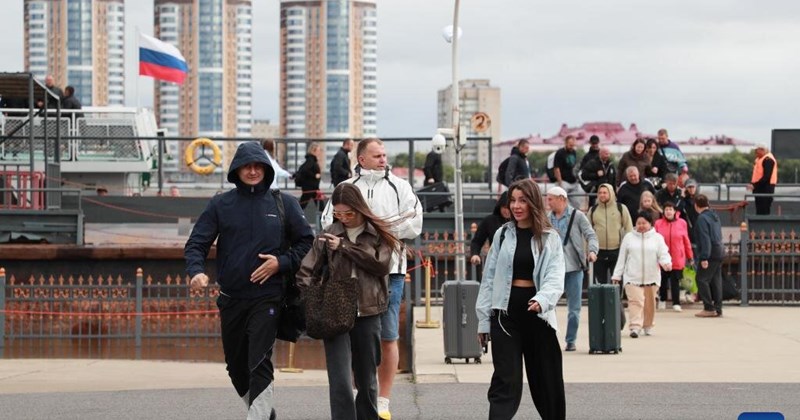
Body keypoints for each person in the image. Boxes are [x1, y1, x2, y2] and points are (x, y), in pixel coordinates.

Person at [184, 141, 314, 419]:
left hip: (268, 296)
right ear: (237, 170)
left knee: (259, 360)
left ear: (266, 169)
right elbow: (196, 243)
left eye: (258, 166)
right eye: (247, 166)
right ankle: (264, 412)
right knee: (236, 367)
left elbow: (307, 243)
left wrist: (281, 262)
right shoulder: (221, 204)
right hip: (231, 299)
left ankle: (258, 415)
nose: (253, 171)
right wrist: (196, 271)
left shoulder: (285, 203)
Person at [320, 137, 423, 420]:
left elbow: (415, 222)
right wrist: (383, 228)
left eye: (384, 155)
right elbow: (329, 221)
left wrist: (372, 229)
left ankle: (383, 401)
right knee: (356, 340)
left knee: (388, 336)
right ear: (361, 159)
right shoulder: (345, 187)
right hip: (349, 275)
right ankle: (363, 394)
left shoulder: (400, 187)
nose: (383, 160)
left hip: (390, 271)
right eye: (377, 156)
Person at [297, 183, 401, 420]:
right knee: (340, 379)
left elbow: (381, 265)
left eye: (349, 213)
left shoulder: (377, 234)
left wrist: (344, 246)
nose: (343, 218)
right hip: (335, 310)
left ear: (360, 209)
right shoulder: (328, 234)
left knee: (366, 377)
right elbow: (306, 270)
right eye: (338, 213)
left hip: (368, 309)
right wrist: (309, 298)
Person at [476, 179, 566, 420]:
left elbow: (555, 276)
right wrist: (483, 321)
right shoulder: (502, 235)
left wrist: (543, 299)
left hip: (538, 315)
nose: (516, 206)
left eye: (522, 201)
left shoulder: (550, 238)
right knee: (506, 380)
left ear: (533, 202)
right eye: (513, 201)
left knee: (547, 381)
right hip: (504, 316)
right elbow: (489, 278)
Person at [546, 186, 598, 352]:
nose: (548, 202)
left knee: (574, 309)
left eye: (550, 199)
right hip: (553, 269)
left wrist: (592, 251)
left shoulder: (577, 216)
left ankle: (570, 340)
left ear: (561, 199)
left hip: (574, 267)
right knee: (549, 306)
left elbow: (591, 234)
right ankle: (550, 339)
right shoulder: (547, 219)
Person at [612, 211, 672, 338]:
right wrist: (617, 275)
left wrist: (666, 263)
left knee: (650, 304)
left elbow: (663, 253)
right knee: (635, 302)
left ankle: (647, 325)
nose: (641, 225)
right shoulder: (629, 237)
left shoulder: (657, 238)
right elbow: (622, 257)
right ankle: (635, 327)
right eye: (638, 223)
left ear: (650, 223)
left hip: (652, 277)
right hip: (632, 277)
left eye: (644, 223)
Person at [588, 183, 633, 285]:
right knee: (599, 284)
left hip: (617, 251)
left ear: (611, 193)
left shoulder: (621, 208)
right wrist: (588, 251)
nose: (602, 195)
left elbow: (629, 229)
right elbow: (587, 232)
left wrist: (628, 249)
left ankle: (617, 297)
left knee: (617, 283)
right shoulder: (593, 210)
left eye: (605, 192)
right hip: (598, 252)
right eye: (600, 193)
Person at [654, 201, 693, 312]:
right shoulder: (658, 223)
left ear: (675, 211)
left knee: (675, 281)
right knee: (662, 280)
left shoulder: (682, 223)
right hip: (662, 257)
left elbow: (686, 240)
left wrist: (690, 256)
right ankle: (662, 300)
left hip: (677, 256)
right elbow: (654, 240)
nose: (668, 212)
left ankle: (676, 303)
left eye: (670, 209)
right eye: (666, 209)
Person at [693, 194, 725, 318]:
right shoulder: (715, 216)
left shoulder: (702, 218)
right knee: (716, 280)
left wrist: (704, 257)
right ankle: (718, 308)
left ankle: (708, 307)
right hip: (719, 250)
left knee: (701, 279)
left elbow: (705, 238)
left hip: (710, 252)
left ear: (696, 206)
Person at [469, 191, 511, 268]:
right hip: (496, 263)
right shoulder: (489, 221)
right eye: (504, 207)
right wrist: (475, 254)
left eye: (509, 208)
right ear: (499, 206)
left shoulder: (520, 222)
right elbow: (477, 241)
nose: (507, 211)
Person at [553, 135, 583, 209]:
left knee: (576, 204)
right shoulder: (560, 153)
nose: (572, 147)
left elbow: (574, 167)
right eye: (570, 145)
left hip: (573, 182)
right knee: (563, 204)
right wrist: (560, 183)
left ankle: (574, 215)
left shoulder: (574, 152)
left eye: (573, 145)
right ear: (566, 143)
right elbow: (556, 168)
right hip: (564, 181)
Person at [747, 145, 777, 215]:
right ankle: (760, 222)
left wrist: (754, 185)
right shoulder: (759, 159)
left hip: (765, 189)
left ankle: (764, 222)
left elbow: (767, 177)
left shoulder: (768, 160)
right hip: (760, 188)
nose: (755, 152)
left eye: (756, 150)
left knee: (764, 210)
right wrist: (752, 184)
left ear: (762, 150)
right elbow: (757, 175)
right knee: (760, 210)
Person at [295, 142, 324, 211]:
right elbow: (305, 170)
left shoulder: (311, 159)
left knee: (320, 204)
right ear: (313, 151)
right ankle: (293, 215)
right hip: (310, 187)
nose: (319, 152)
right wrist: (315, 175)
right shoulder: (311, 160)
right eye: (318, 150)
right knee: (302, 205)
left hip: (313, 187)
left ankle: (323, 217)